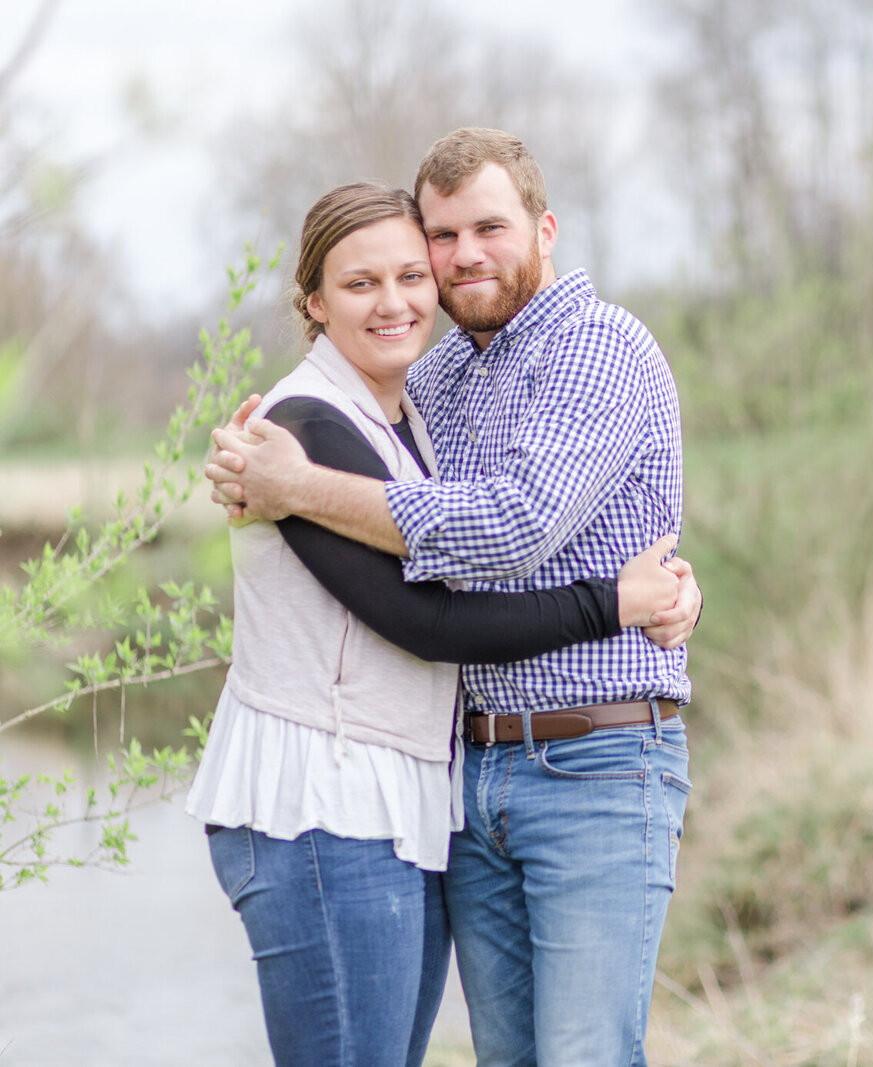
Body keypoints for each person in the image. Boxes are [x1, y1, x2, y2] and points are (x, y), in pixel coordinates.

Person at [208, 128, 692, 1065]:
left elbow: (515, 526)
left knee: (585, 1053)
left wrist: (664, 595)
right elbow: (428, 591)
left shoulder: (595, 348)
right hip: (460, 777)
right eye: (443, 234)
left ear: (544, 228)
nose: (462, 255)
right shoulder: (433, 377)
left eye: (489, 227)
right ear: (314, 301)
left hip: (594, 759)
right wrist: (258, 472)